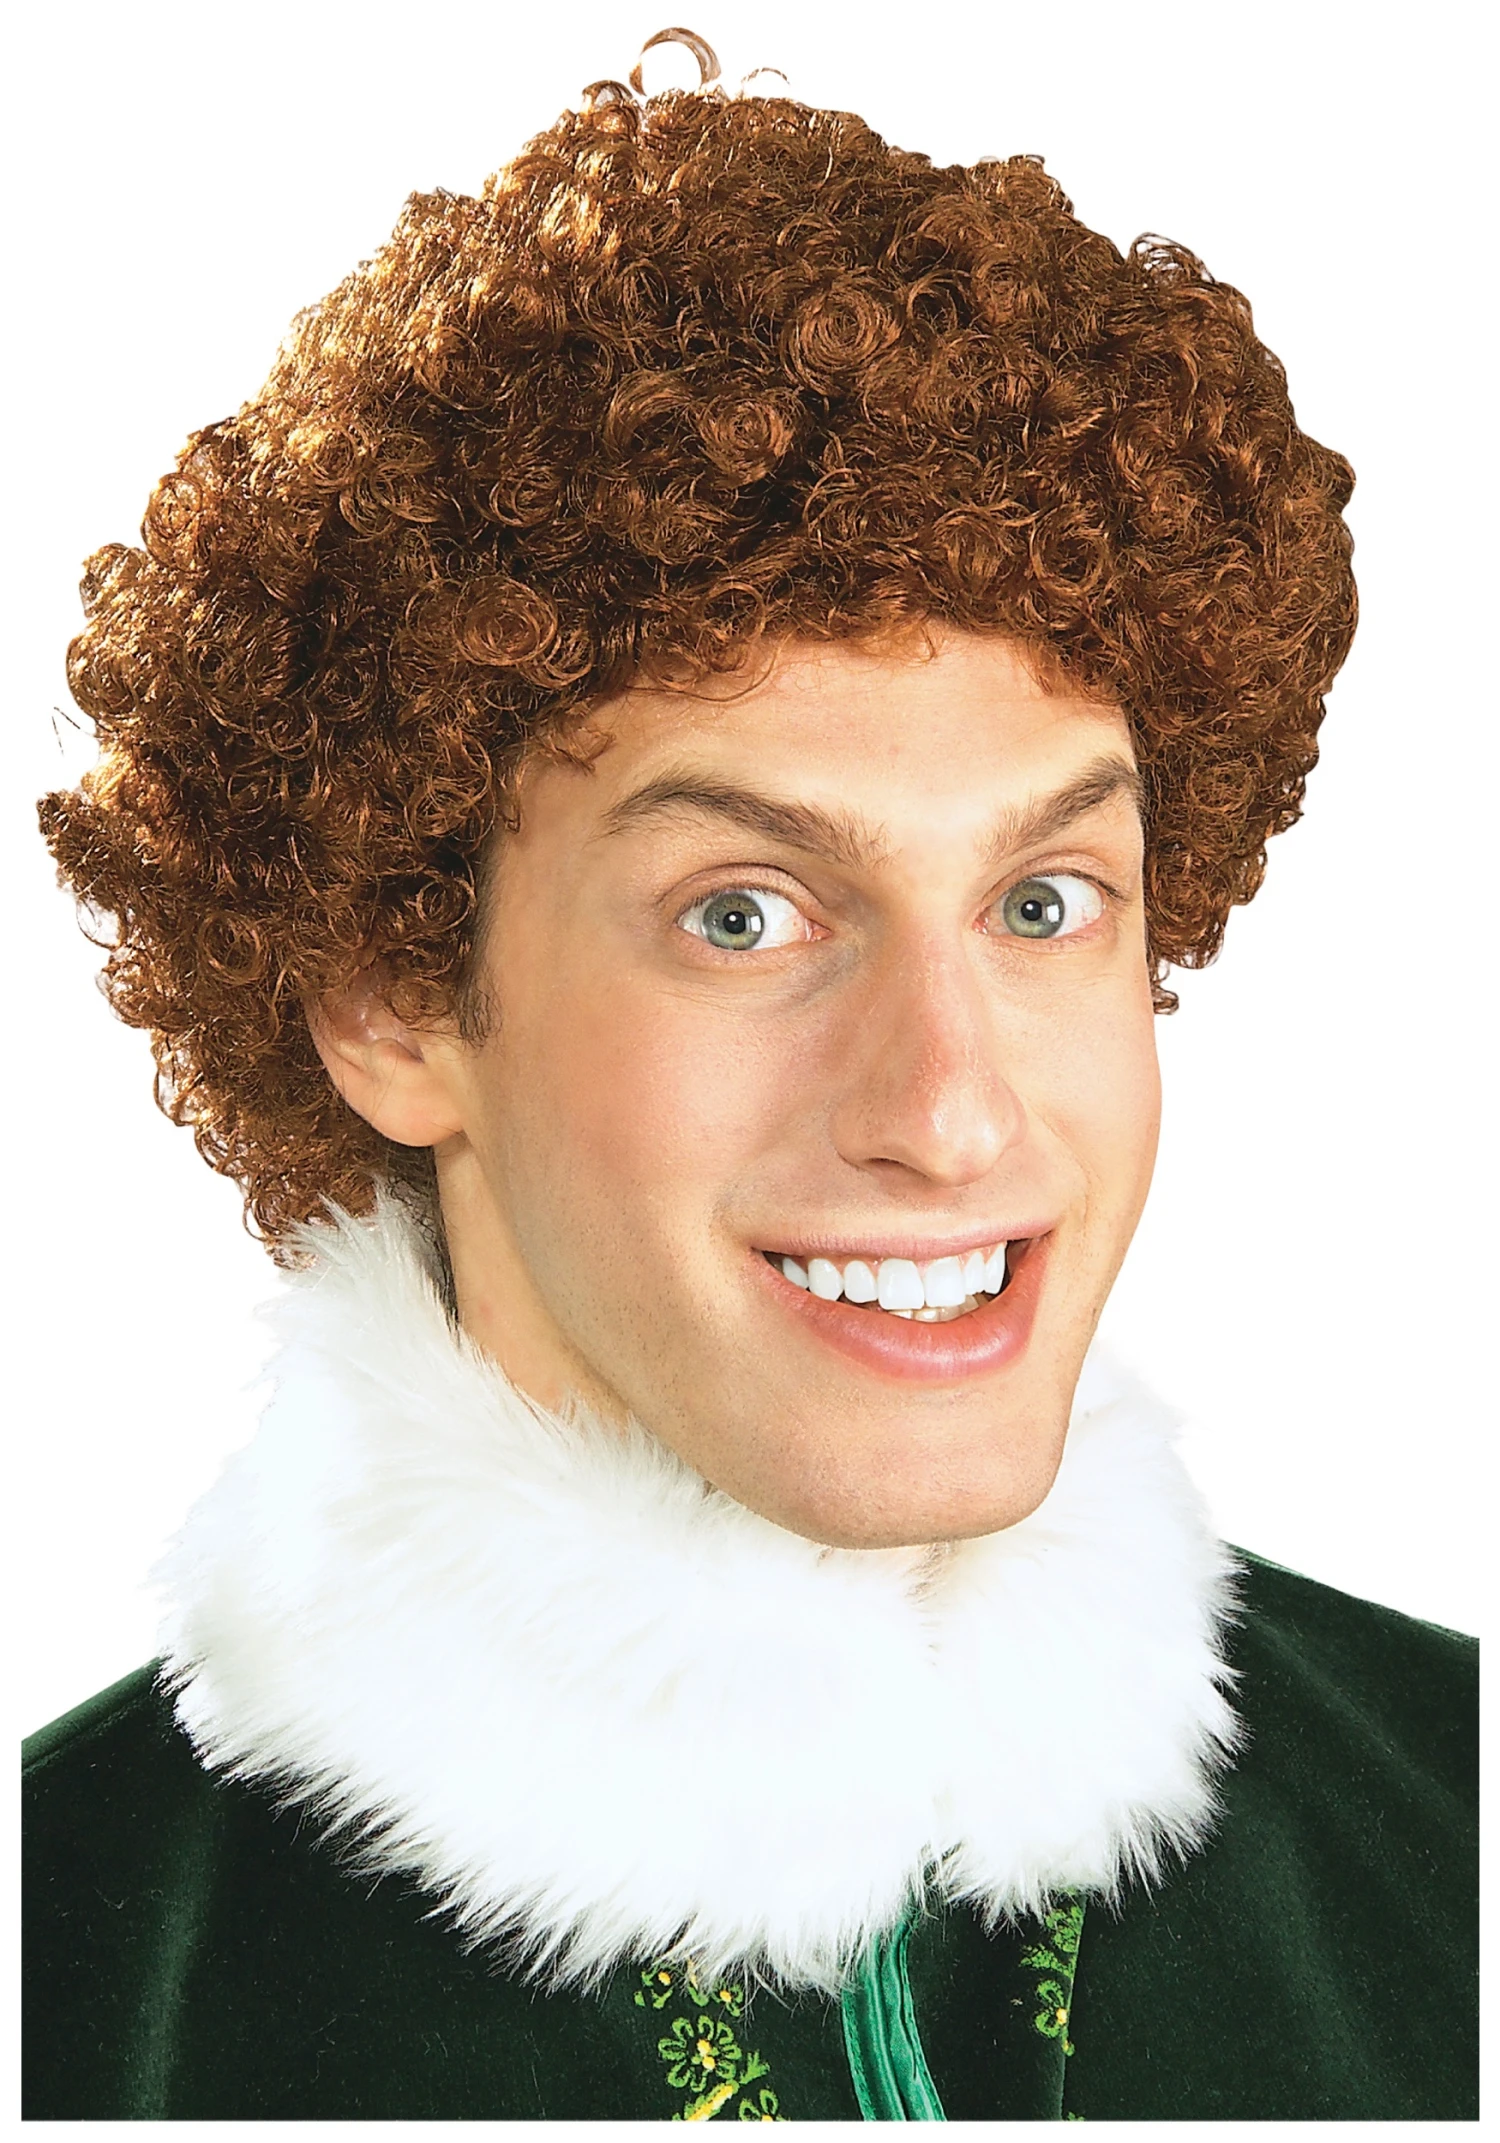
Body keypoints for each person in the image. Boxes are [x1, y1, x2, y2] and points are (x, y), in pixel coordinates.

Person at [22, 29, 1475, 2123]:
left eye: (1044, 901)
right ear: (395, 1003)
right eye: (743, 915)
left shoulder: (1454, 1824)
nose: (951, 1111)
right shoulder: (71, 1997)